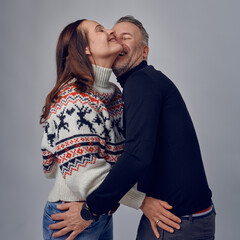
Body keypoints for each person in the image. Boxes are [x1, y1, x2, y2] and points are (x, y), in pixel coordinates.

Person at [40, 19, 180, 240]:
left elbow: (128, 153)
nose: (111, 32)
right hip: (71, 213)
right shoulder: (75, 99)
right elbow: (82, 174)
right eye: (100, 30)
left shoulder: (112, 93)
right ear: (85, 48)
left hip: (98, 212)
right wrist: (141, 201)